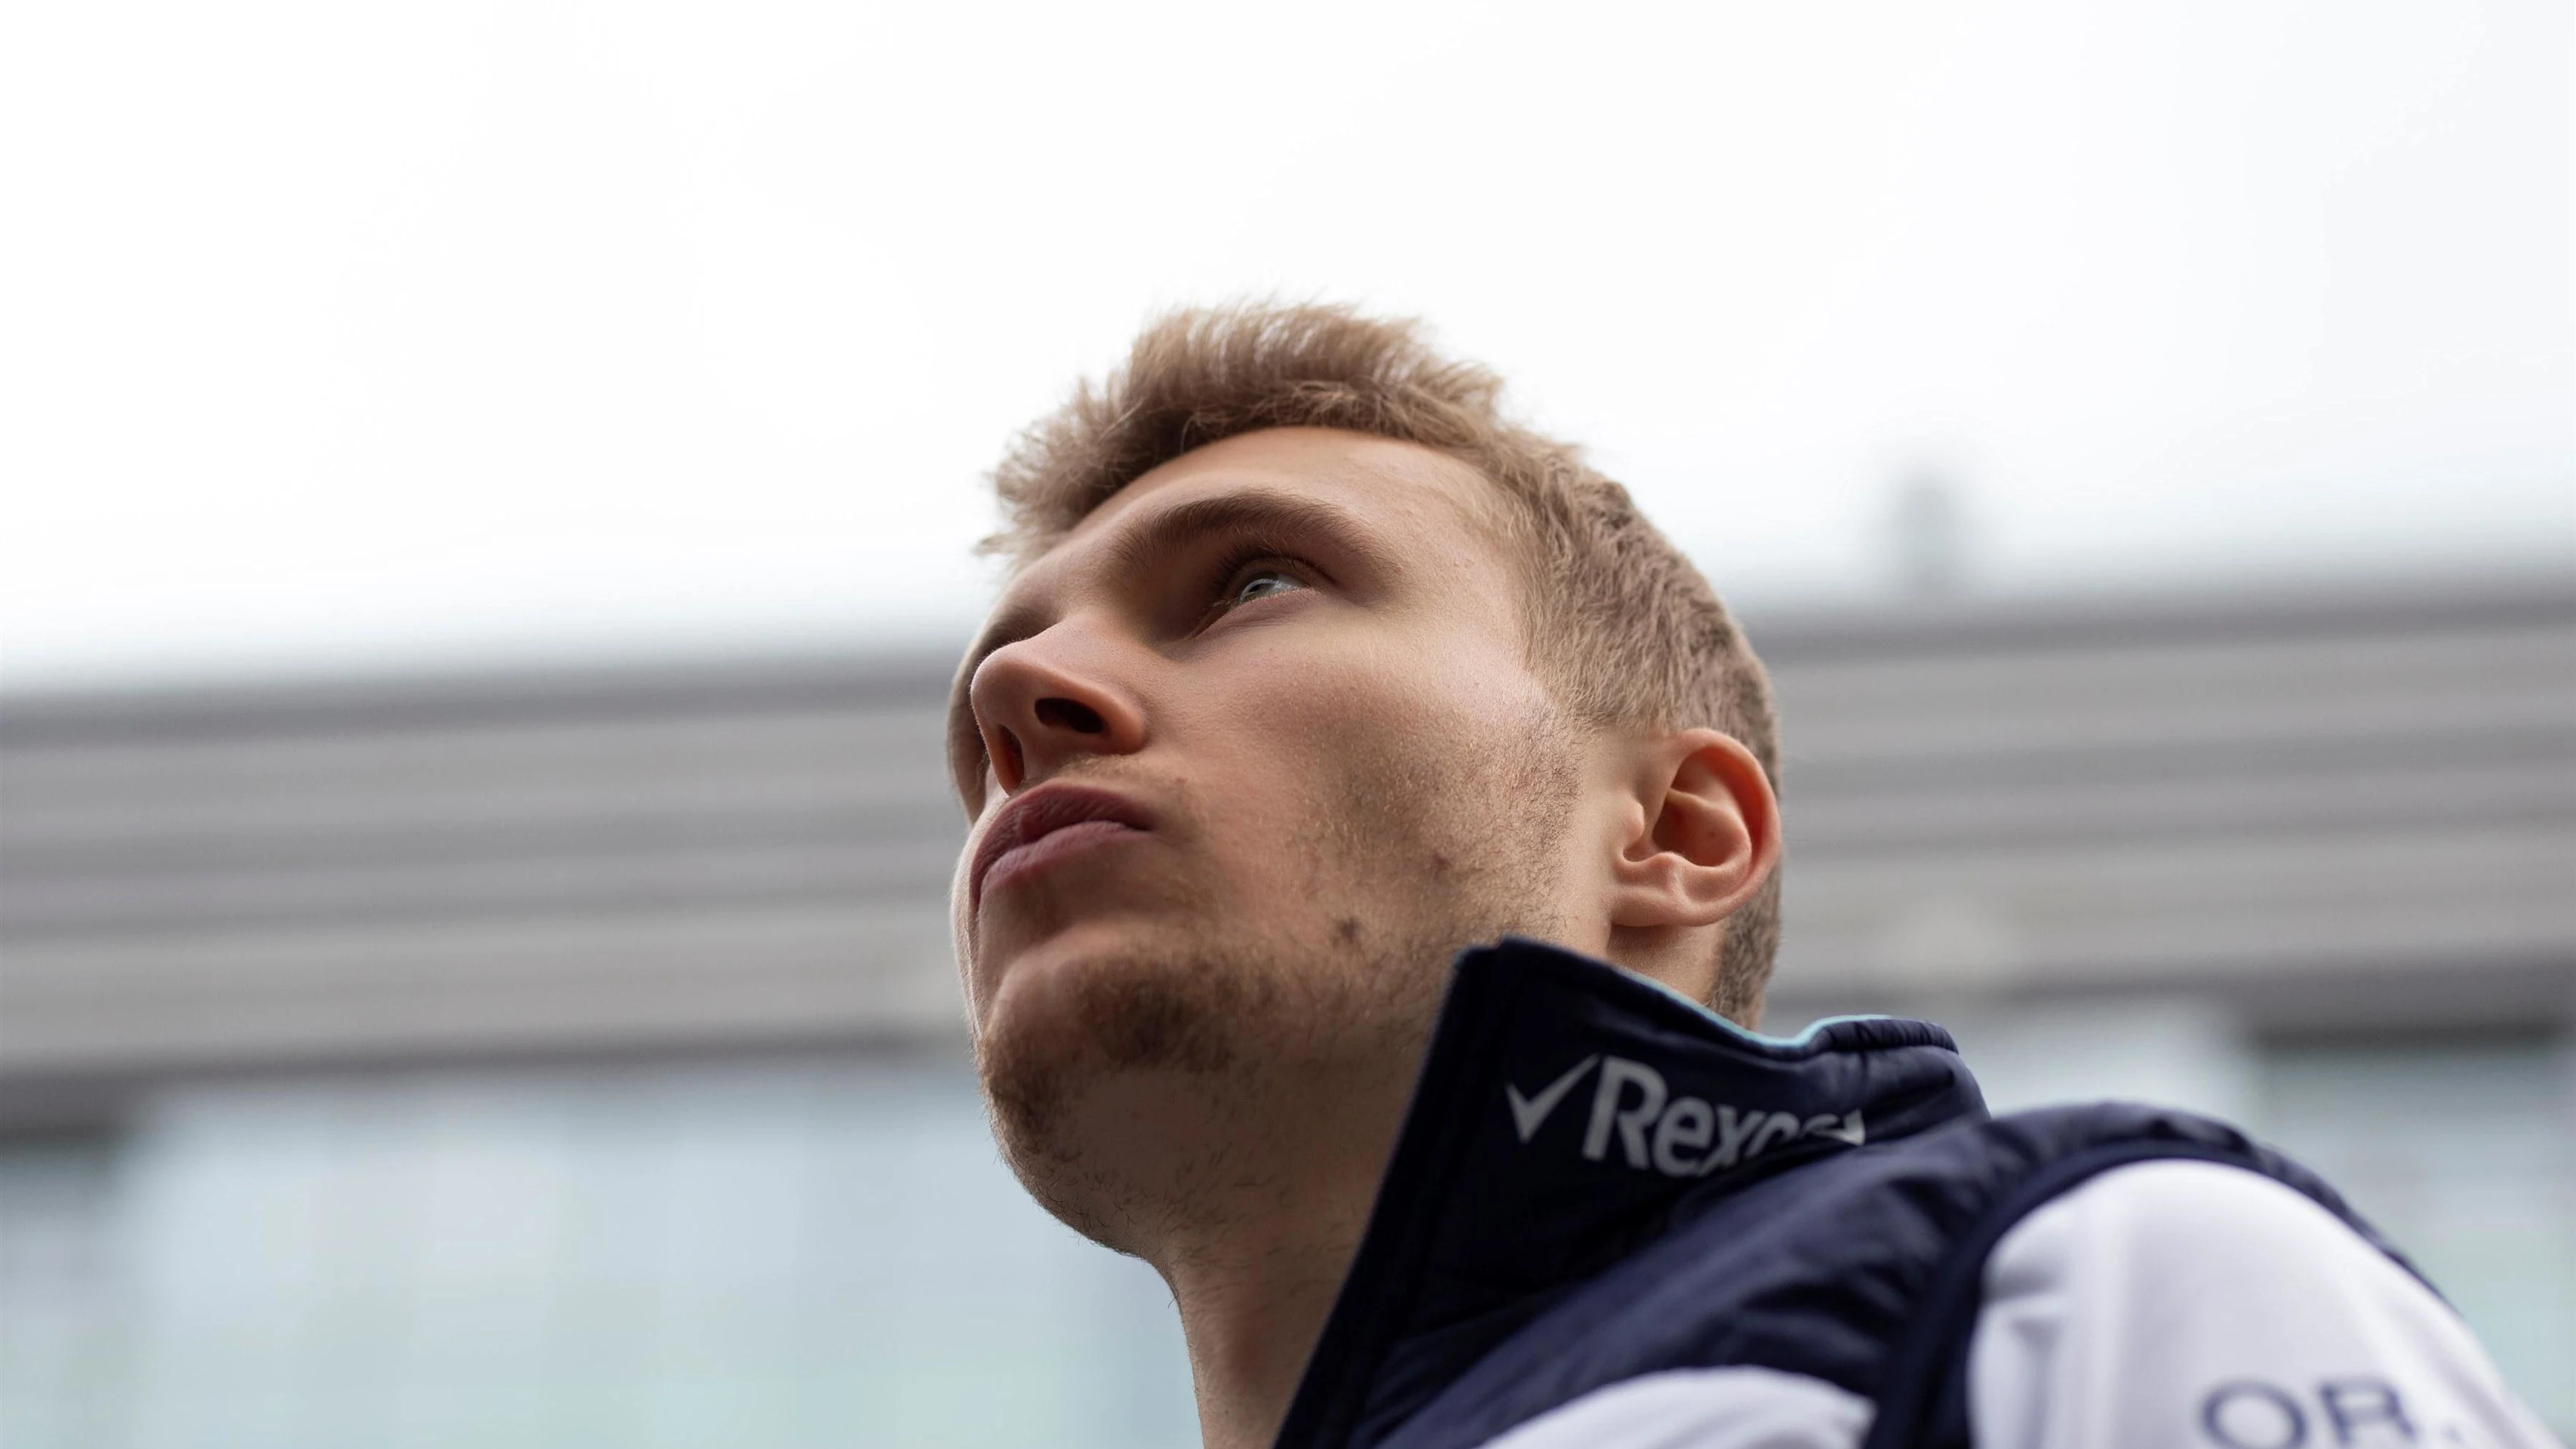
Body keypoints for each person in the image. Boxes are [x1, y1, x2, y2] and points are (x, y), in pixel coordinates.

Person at [943, 303, 2556, 1449]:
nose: (1016, 708)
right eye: (991, 694)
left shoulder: (2103, 1279)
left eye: (1255, 580)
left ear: (1676, 833)